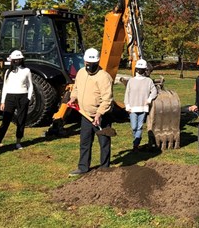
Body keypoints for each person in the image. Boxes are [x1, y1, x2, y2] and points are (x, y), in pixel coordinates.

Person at [68, 48, 114, 176]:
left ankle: (105, 167)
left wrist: (99, 114)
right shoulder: (81, 73)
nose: (89, 67)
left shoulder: (104, 77)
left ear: (98, 62)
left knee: (104, 142)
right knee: (85, 142)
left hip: (101, 116)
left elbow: (107, 99)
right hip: (85, 115)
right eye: (87, 64)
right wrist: (73, 98)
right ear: (84, 61)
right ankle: (83, 167)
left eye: (92, 64)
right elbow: (76, 88)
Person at [0, 50, 34, 151]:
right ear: (12, 60)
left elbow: (30, 85)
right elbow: (5, 86)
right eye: (15, 59)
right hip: (10, 97)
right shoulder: (8, 72)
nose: (17, 61)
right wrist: (3, 101)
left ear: (21, 60)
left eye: (19, 59)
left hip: (23, 97)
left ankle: (18, 142)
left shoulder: (27, 71)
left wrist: (28, 98)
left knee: (21, 120)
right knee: (5, 121)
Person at [124, 59, 158, 151]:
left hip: (143, 107)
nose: (140, 71)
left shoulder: (148, 81)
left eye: (142, 69)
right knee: (134, 127)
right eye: (139, 69)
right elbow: (127, 94)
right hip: (132, 108)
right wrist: (127, 105)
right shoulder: (131, 81)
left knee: (139, 127)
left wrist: (149, 99)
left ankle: (136, 144)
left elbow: (154, 91)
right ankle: (136, 139)